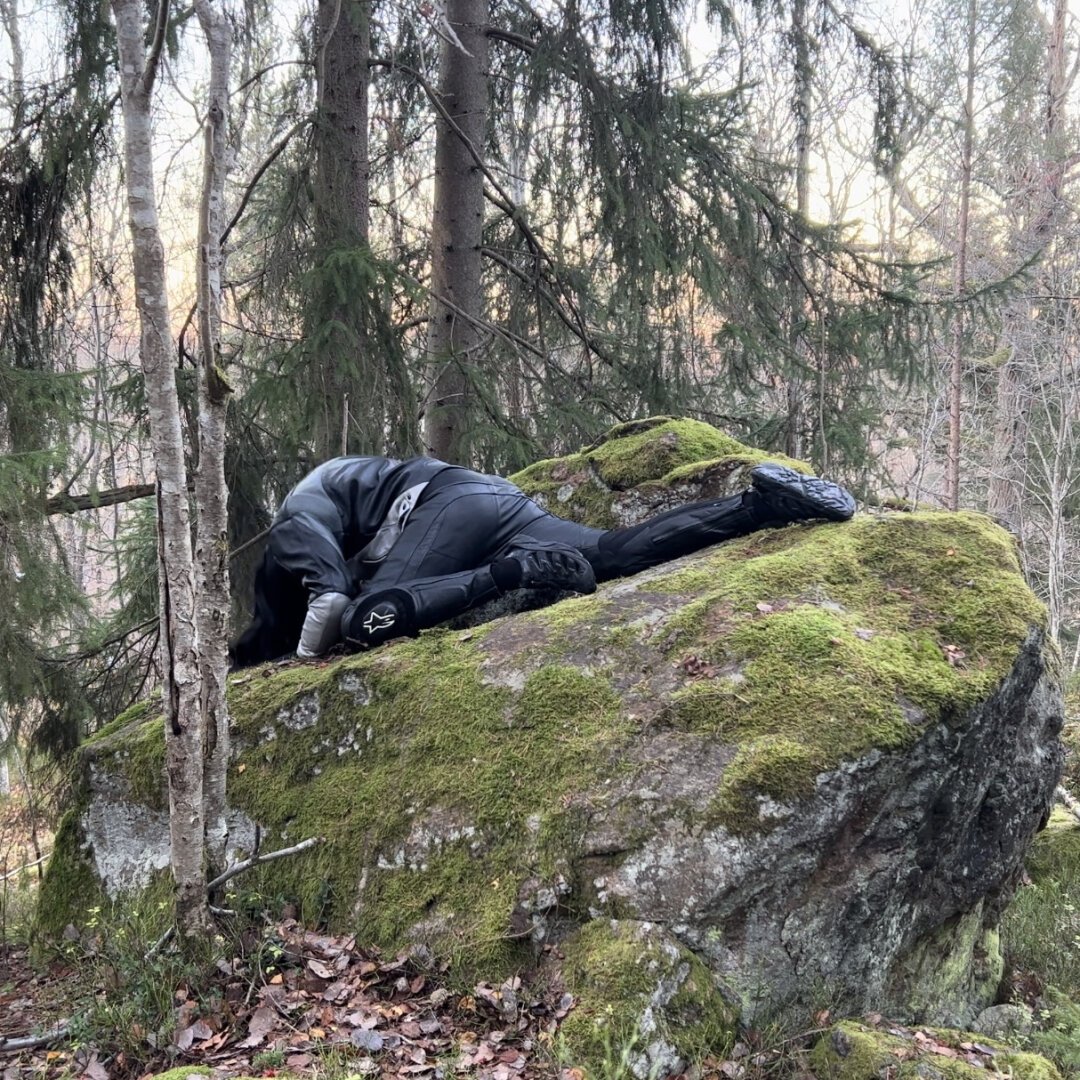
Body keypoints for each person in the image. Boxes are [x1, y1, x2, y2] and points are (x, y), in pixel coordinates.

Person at [229, 454, 856, 668]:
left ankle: (510, 577)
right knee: (612, 556)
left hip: (450, 505)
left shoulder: (291, 526)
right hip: (491, 501)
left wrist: (309, 658)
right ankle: (761, 506)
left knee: (369, 620)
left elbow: (337, 604)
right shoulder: (341, 502)